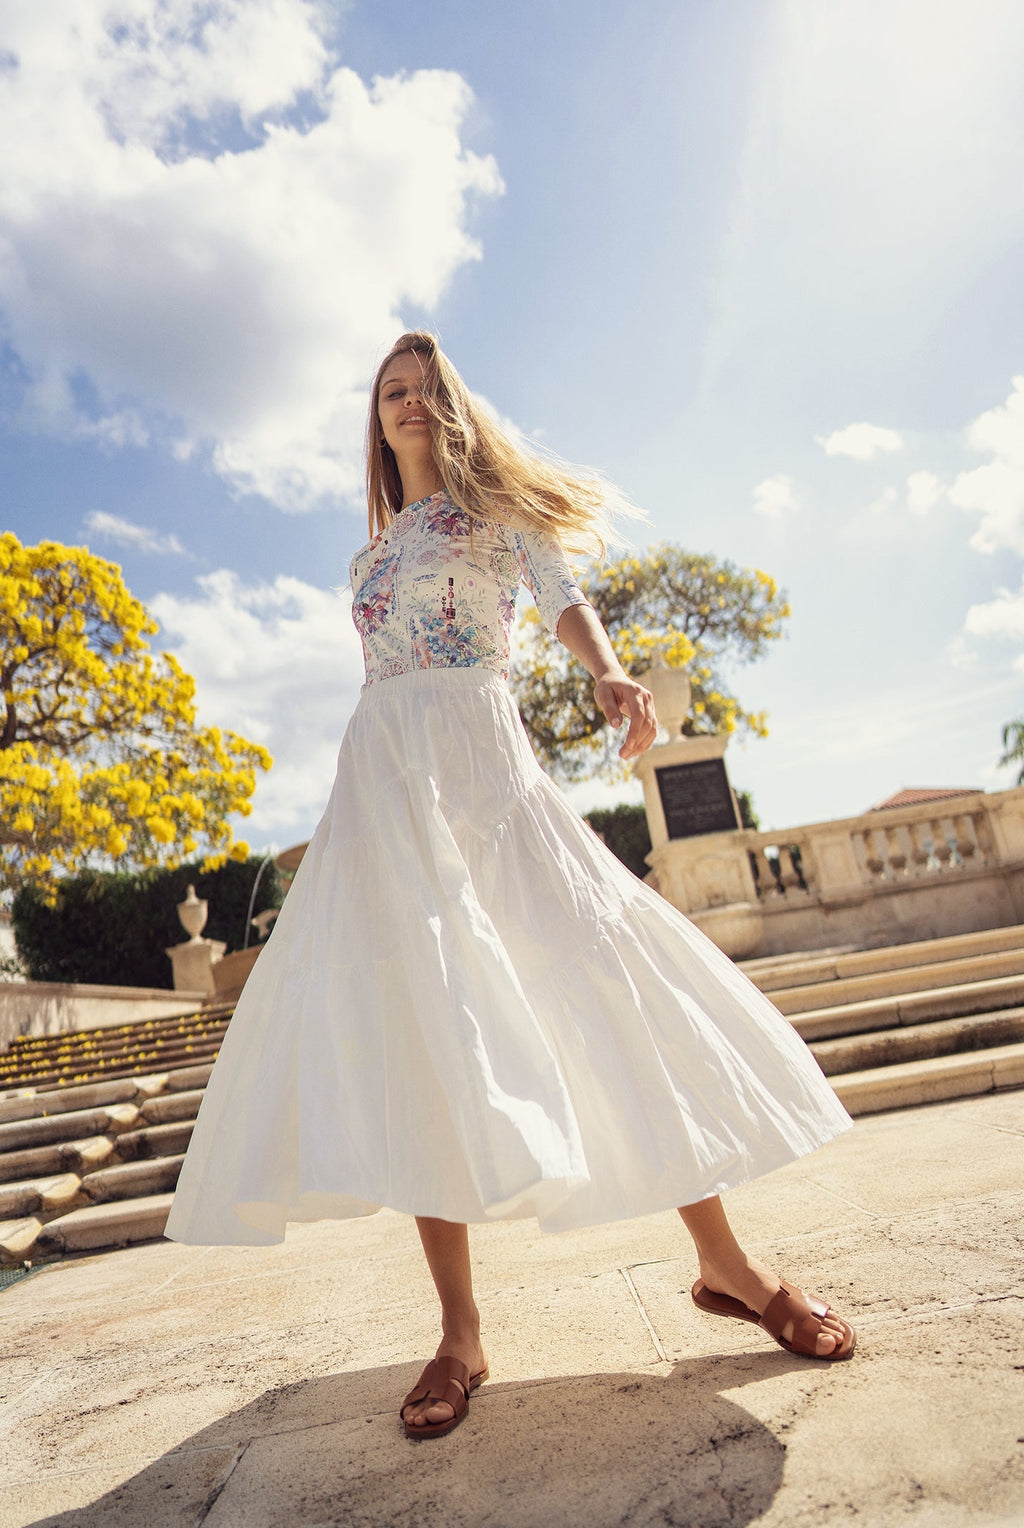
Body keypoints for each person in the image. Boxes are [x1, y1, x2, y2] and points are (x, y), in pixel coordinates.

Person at [166, 331, 856, 1441]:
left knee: (603, 989)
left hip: (485, 770)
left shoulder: (500, 516)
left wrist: (607, 670)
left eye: (425, 388)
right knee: (419, 1033)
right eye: (391, 390)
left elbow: (564, 598)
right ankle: (460, 1333)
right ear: (375, 418)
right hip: (383, 789)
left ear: (453, 406)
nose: (408, 402)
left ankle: (728, 1266)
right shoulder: (366, 560)